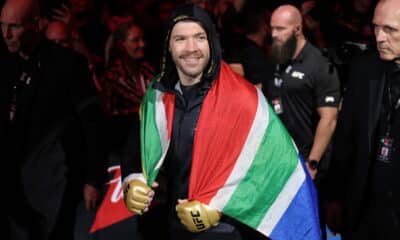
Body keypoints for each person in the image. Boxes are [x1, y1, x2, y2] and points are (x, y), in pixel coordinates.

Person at [121, 3, 321, 240]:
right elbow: (136, 149)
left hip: (229, 232)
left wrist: (219, 209)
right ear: (168, 46)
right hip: (174, 229)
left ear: (211, 44)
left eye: (199, 37)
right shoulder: (156, 96)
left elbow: (275, 172)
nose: (191, 48)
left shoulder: (243, 99)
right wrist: (132, 181)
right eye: (180, 39)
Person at [0, 0, 107, 239]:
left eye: (14, 26)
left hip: (56, 180)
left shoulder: (67, 64)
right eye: (2, 25)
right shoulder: (6, 64)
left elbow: (93, 122)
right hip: (14, 183)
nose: (6, 34)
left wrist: (93, 178)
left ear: (36, 25)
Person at [324, 0, 400, 239]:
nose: (379, 37)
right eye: (376, 27)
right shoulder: (363, 69)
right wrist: (335, 196)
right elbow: (346, 136)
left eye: (390, 30)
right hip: (363, 211)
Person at [263, 4, 340, 181]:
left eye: (280, 29)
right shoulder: (277, 56)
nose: (274, 34)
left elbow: (329, 119)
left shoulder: (319, 65)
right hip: (277, 158)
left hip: (305, 160)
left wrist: (312, 163)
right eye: (272, 28)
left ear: (298, 29)